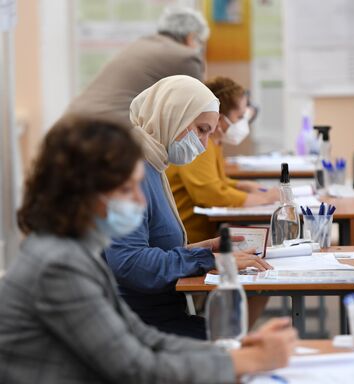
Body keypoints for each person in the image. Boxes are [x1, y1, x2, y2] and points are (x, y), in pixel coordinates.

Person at [0, 115, 296, 383]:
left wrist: (233, 351)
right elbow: (137, 370)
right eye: (126, 190)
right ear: (82, 193)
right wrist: (247, 360)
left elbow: (143, 338)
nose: (141, 203)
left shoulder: (73, 252)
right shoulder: (59, 266)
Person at [103, 75, 271, 339]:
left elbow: (149, 248)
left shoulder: (153, 164)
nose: (204, 144)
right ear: (174, 115)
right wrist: (206, 259)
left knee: (242, 342)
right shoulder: (129, 173)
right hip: (138, 326)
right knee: (241, 347)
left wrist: (204, 248)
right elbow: (130, 264)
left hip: (157, 315)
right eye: (201, 129)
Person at [166, 77, 279, 243]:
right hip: (188, 240)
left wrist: (243, 186)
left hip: (200, 236)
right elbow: (211, 193)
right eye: (239, 117)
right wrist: (263, 199)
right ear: (219, 117)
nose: (243, 123)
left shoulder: (214, 142)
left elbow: (216, 181)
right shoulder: (199, 145)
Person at [64, 6, 209, 129]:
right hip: (107, 132)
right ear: (191, 37)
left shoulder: (142, 44)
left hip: (72, 122)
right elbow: (203, 113)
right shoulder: (186, 57)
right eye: (200, 42)